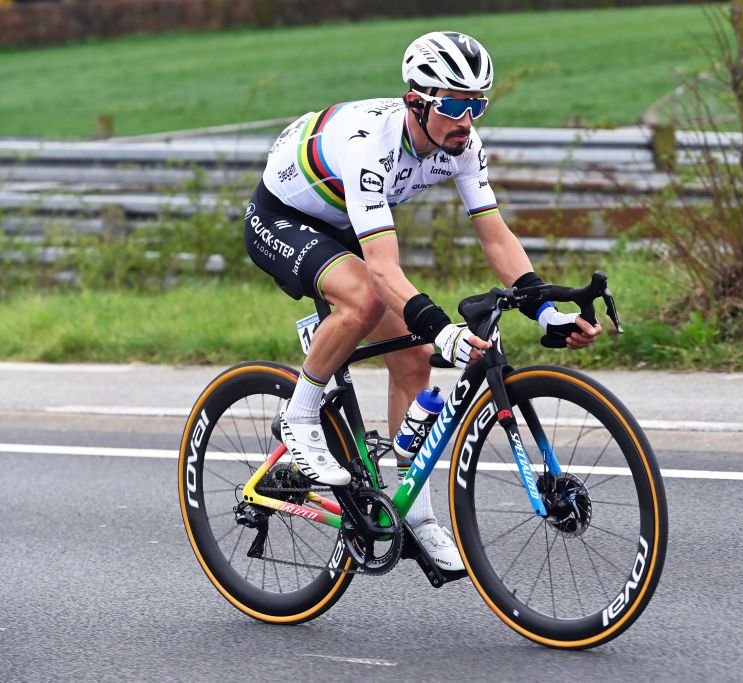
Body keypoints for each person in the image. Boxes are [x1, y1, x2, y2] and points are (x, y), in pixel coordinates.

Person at [243, 31, 601, 571]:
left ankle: (417, 517)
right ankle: (300, 418)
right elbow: (383, 269)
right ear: (418, 101)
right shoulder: (372, 143)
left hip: (342, 222)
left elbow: (495, 236)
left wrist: (545, 309)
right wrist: (443, 328)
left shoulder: (462, 145)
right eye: (456, 104)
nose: (468, 120)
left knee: (411, 361)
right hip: (284, 217)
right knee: (363, 298)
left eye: (477, 104)